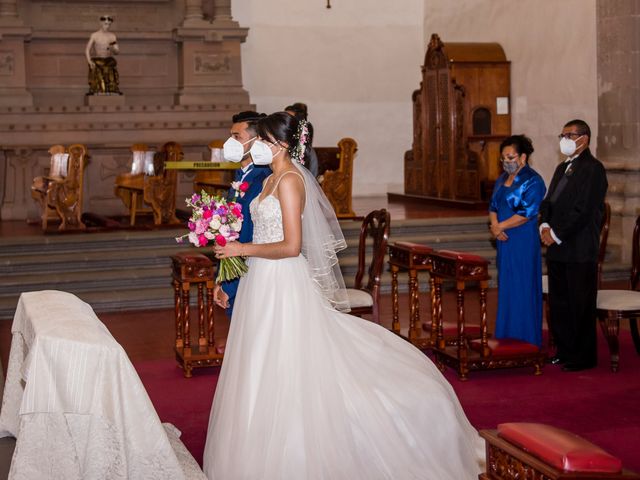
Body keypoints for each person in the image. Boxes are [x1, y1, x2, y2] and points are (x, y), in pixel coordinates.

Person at [203, 112, 484, 479]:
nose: (256, 146)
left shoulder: (289, 181)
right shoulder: (269, 179)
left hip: (283, 280)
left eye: (263, 140)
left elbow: (291, 246)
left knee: (290, 360)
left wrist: (244, 249)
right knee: (258, 359)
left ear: (282, 144)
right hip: (261, 280)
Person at [539, 119, 608, 372]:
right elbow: (548, 202)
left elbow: (583, 210)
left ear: (584, 138)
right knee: (560, 303)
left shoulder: (594, 169)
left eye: (570, 134)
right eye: (563, 134)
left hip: (579, 247)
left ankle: (582, 357)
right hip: (557, 247)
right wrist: (544, 226)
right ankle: (565, 351)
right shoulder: (561, 168)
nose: (564, 139)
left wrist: (557, 233)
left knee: (580, 304)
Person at [489, 135, 546, 347]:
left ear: (523, 157)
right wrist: (495, 226)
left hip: (522, 239)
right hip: (504, 239)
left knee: (523, 284)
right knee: (507, 285)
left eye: (510, 156)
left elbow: (527, 213)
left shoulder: (534, 180)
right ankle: (506, 332)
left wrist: (500, 226)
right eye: (503, 157)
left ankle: (526, 336)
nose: (506, 161)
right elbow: (493, 207)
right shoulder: (502, 179)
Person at [213, 111, 270, 318]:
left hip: (250, 275)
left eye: (237, 137)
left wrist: (230, 287)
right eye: (231, 136)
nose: (231, 142)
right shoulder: (240, 176)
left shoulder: (262, 180)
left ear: (257, 141)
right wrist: (220, 279)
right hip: (235, 273)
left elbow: (248, 234)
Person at [85, 15, 121, 95]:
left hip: (108, 60)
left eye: (108, 24)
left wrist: (113, 49)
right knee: (96, 67)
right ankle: (99, 89)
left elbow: (117, 51)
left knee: (112, 64)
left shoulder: (112, 36)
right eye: (105, 24)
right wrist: (89, 61)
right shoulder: (95, 35)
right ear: (101, 23)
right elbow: (87, 50)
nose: (107, 25)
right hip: (98, 59)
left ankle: (111, 88)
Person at [285, 102, 319, 177]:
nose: (284, 123)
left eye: (288, 119)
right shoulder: (278, 146)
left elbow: (312, 176)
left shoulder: (307, 151)